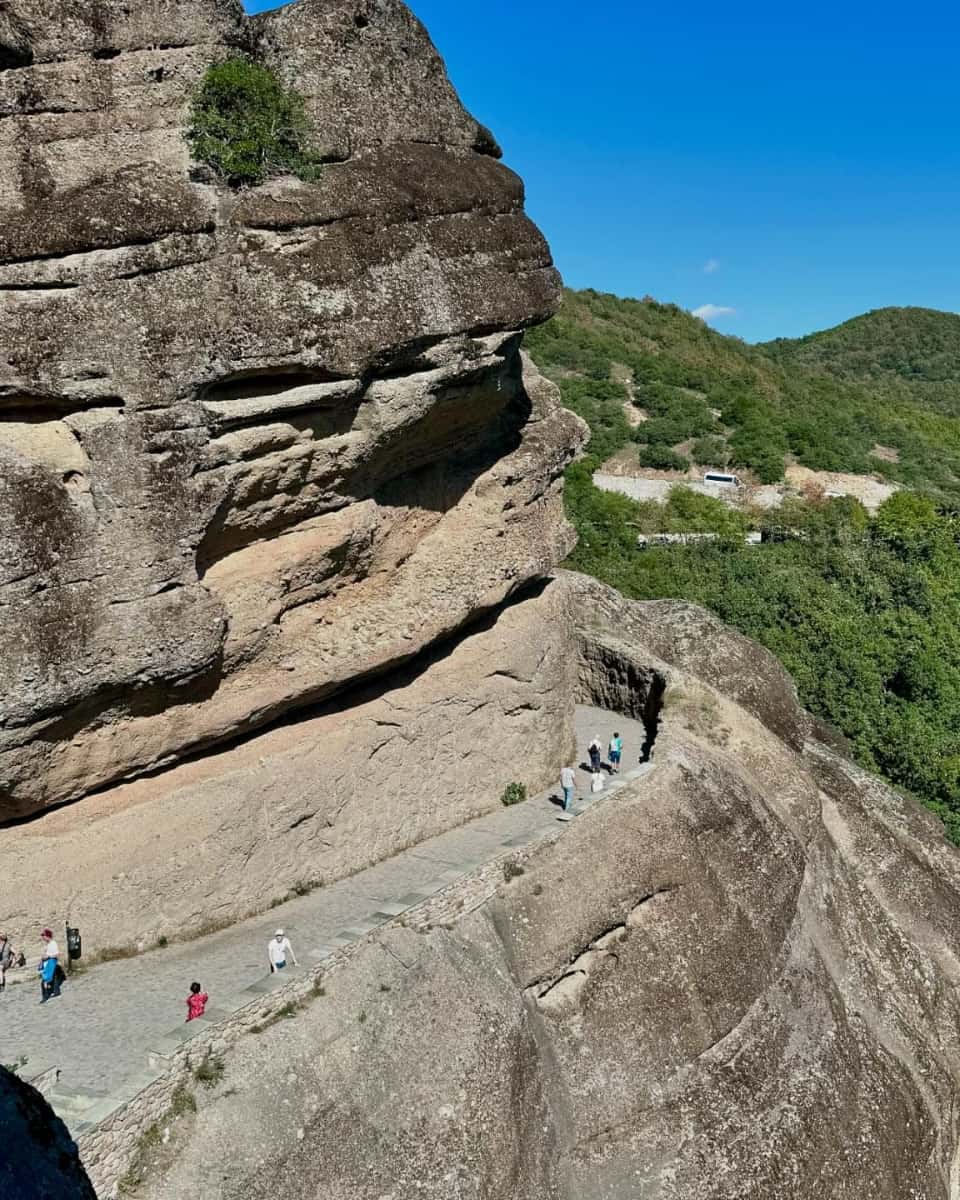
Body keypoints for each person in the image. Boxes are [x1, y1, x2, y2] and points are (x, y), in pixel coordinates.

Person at [39, 929, 62, 1001]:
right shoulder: (48, 944)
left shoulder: (53, 943)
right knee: (53, 979)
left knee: (44, 981)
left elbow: (57, 955)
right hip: (48, 963)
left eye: (44, 935)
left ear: (47, 936)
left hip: (51, 963)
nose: (43, 937)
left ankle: (45, 996)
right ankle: (56, 992)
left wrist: (48, 957)